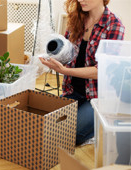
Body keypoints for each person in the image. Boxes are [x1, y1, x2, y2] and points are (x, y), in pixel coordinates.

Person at [39, 0, 125, 145]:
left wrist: (64, 70)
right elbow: (68, 55)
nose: (80, 0)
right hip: (72, 91)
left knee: (72, 135)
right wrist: (53, 57)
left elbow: (101, 71)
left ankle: (100, 125)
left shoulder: (114, 26)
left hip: (98, 99)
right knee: (46, 124)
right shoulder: (76, 19)